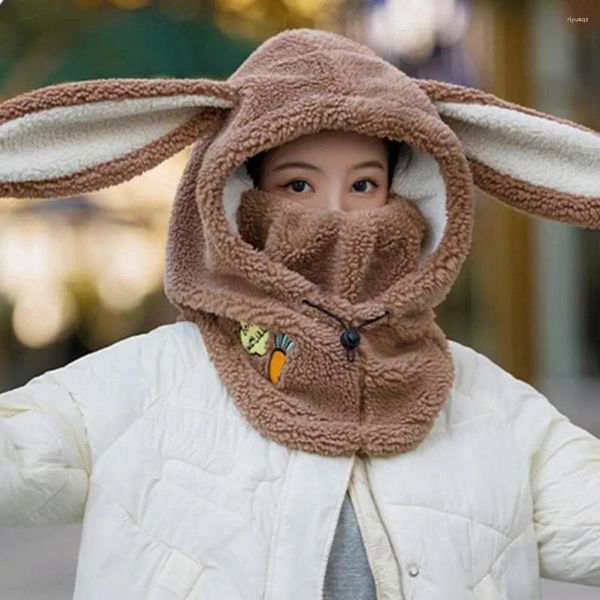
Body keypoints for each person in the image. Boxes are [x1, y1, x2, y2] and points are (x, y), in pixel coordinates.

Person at [0, 28, 599, 600]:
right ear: (234, 193)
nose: (337, 215)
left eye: (364, 186)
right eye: (297, 186)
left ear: (411, 194)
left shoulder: (486, 404)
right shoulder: (150, 379)